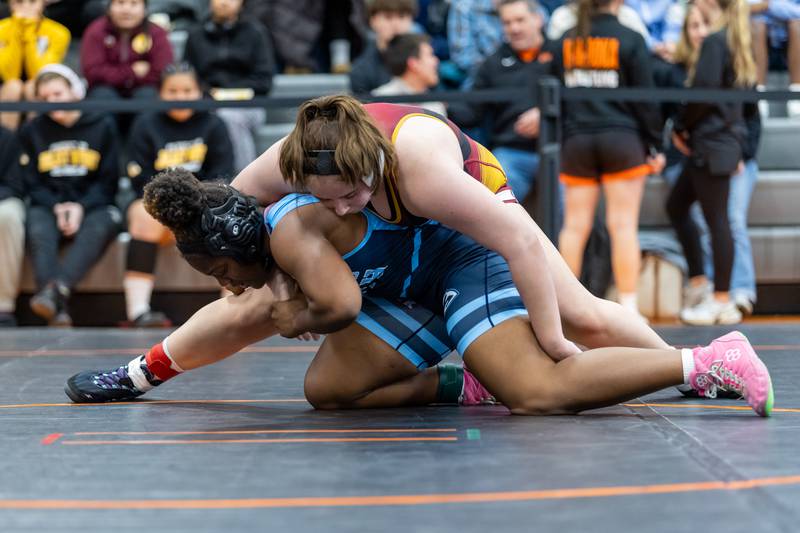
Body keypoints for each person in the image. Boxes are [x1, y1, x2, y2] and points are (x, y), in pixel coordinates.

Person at [66, 169, 774, 418]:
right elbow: (247, 300)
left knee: (552, 366)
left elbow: (334, 306)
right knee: (328, 388)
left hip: (469, 232)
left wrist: (290, 310)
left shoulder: (292, 224)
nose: (222, 287)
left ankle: (705, 362)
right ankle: (465, 382)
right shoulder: (259, 206)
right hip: (412, 271)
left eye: (219, 272)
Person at [550, 0, 665, 320]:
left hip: (577, 140)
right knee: (623, 226)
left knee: (573, 228)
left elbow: (550, 94)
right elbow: (645, 100)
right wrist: (656, 143)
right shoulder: (630, 38)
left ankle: (564, 309)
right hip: (622, 140)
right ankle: (629, 308)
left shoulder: (565, 40)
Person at [659, 3, 761, 318]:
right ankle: (702, 282)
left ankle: (720, 299)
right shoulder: (731, 39)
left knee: (718, 221)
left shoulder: (718, 41)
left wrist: (681, 127)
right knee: (677, 206)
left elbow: (703, 95)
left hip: (711, 145)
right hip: (711, 145)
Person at [123, 62, 234, 327]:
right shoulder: (145, 124)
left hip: (204, 203)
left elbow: (223, 175)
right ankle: (138, 311)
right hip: (158, 207)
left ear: (199, 93)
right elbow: (139, 177)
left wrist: (195, 201)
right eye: (172, 91)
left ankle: (233, 309)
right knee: (141, 213)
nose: (180, 97)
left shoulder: (214, 124)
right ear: (161, 94)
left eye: (187, 90)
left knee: (230, 212)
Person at [20, 64, 121, 326]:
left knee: (101, 224)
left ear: (75, 92)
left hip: (94, 203)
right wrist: (56, 206)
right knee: (38, 227)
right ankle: (58, 305)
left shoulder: (102, 125)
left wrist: (80, 206)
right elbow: (31, 182)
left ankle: (54, 294)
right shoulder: (33, 130)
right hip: (48, 204)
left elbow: (108, 181)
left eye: (57, 95)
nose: (51, 103)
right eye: (44, 98)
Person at [448, 0, 552, 202]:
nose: (514, 28)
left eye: (520, 20)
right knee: (492, 202)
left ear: (538, 19)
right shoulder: (492, 63)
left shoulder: (560, 53)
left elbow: (580, 101)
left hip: (557, 147)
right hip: (511, 151)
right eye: (507, 23)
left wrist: (545, 113)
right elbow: (471, 110)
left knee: (569, 199)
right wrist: (440, 109)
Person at [184, 0, 274, 172]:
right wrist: (209, 94)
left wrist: (227, 93)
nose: (224, 2)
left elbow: (264, 81)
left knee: (229, 117)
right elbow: (189, 76)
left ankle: (245, 182)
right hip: (206, 101)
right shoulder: (195, 34)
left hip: (248, 104)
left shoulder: (256, 32)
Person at [80, 0, 173, 100]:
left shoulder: (156, 33)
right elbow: (92, 72)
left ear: (145, 9)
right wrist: (131, 72)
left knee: (148, 95)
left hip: (145, 90)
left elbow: (162, 71)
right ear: (109, 8)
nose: (126, 10)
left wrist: (119, 75)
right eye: (120, 2)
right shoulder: (96, 31)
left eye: (134, 3)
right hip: (105, 92)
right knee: (101, 95)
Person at [0, 0, 70, 130]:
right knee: (13, 86)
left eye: (32, 1)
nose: (26, 6)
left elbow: (41, 73)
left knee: (32, 86)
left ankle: (36, 142)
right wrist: (16, 27)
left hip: (40, 87)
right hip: (5, 87)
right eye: (19, 2)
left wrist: (30, 32)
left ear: (42, 4)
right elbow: (9, 74)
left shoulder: (59, 32)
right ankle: (6, 144)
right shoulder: (1, 29)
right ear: (11, 4)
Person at [350, 0, 418, 94]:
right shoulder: (361, 70)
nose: (396, 24)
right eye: (388, 17)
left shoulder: (425, 61)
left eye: (401, 16)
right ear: (373, 20)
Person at [372, 33, 445, 117]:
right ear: (413, 63)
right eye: (430, 55)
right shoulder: (380, 100)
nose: (436, 61)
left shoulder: (435, 104)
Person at [0, 125, 26, 327]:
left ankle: (4, 305)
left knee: (7, 216)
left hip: (3, 199)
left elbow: (13, 186)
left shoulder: (5, 137)